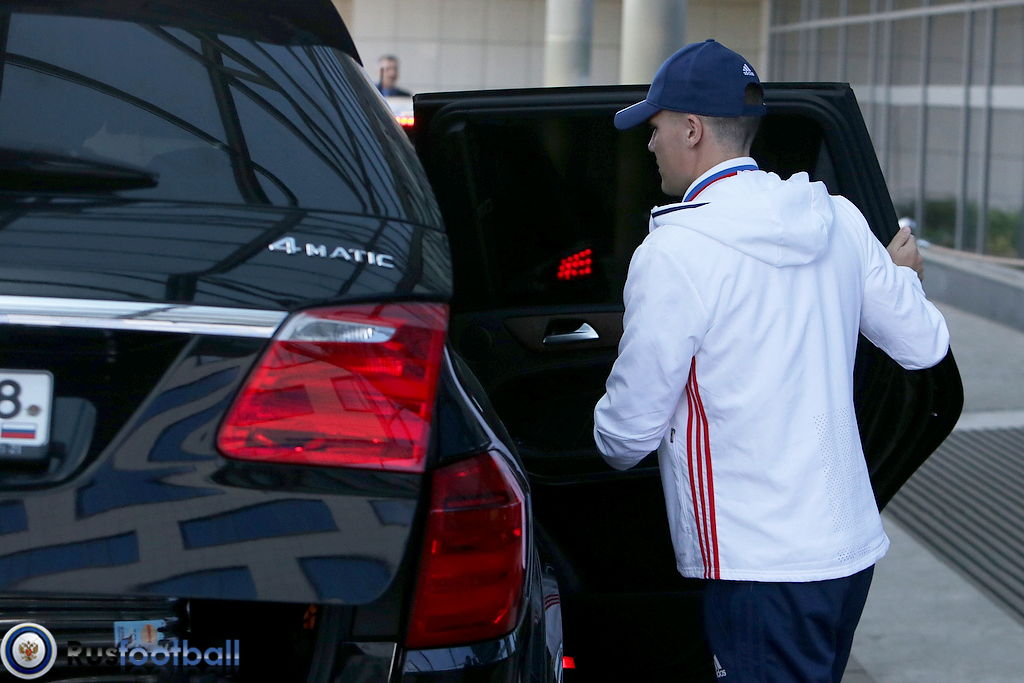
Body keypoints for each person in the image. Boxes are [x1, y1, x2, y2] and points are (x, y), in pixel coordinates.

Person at [592, 39, 949, 682]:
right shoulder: (837, 220)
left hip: (755, 563)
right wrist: (899, 279)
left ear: (692, 130)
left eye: (656, 127)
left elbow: (627, 437)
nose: (649, 143)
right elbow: (924, 344)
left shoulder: (673, 253)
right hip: (845, 550)